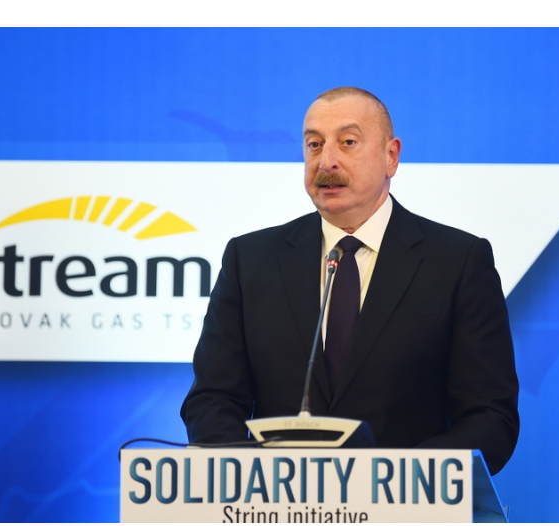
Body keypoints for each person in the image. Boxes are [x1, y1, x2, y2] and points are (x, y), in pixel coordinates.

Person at [181, 86, 519, 475]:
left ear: (391, 156)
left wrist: (395, 482)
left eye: (348, 142)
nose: (327, 161)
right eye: (314, 144)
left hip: (406, 505)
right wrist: (251, 478)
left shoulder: (457, 262)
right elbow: (213, 400)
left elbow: (490, 418)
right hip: (277, 504)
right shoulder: (250, 260)